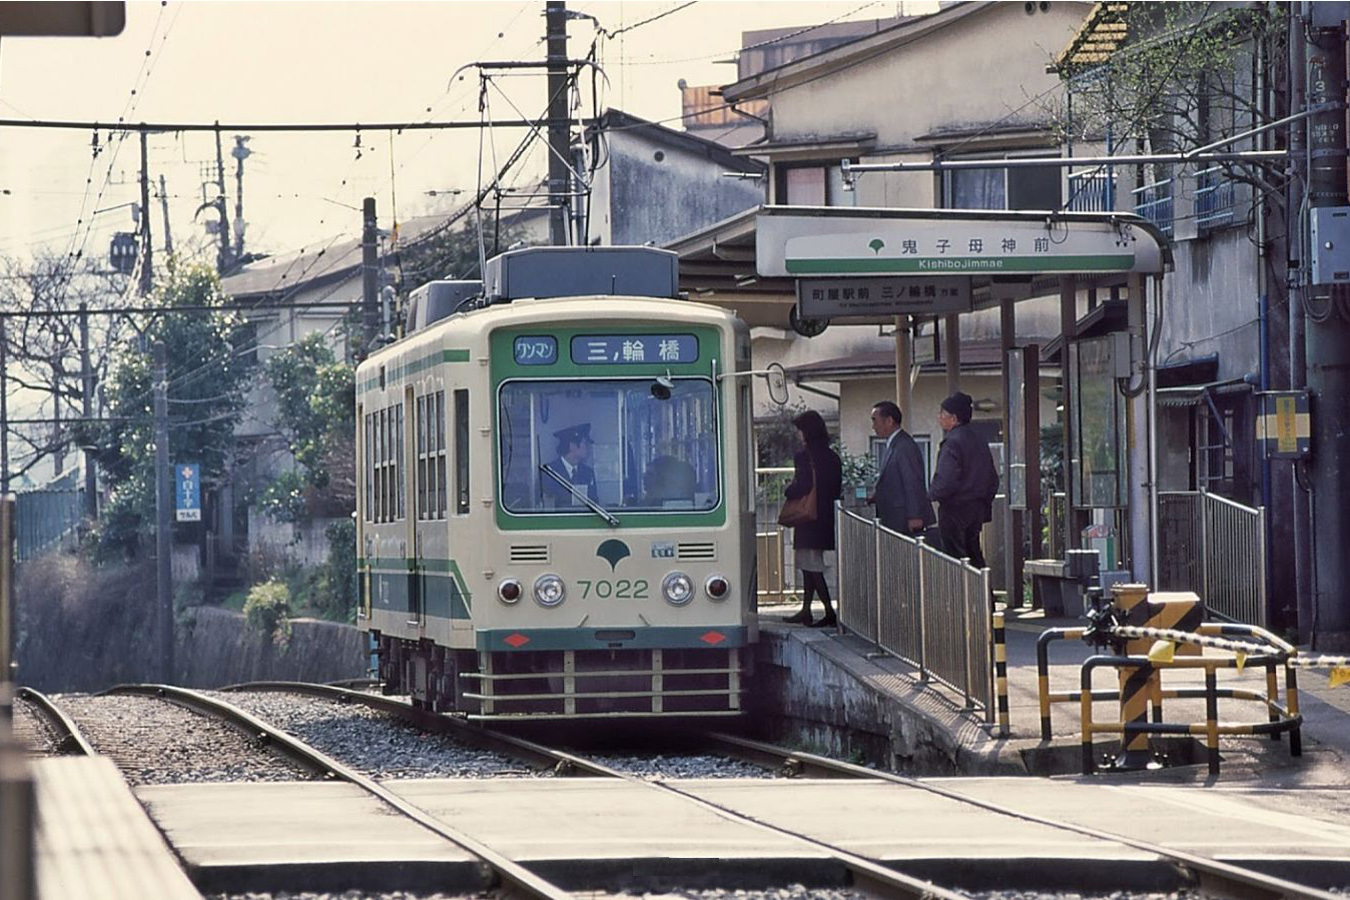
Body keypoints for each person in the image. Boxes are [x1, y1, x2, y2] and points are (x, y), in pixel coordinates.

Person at [781, 410, 844, 628]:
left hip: (807, 518)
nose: (798, 434)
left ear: (807, 431)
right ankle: (806, 609)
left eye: (799, 430)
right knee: (809, 565)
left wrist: (788, 491)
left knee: (811, 567)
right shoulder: (832, 457)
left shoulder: (804, 457)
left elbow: (803, 485)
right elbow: (836, 488)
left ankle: (828, 611)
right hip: (824, 517)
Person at [928, 391, 999, 568]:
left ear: (954, 419)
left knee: (956, 560)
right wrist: (983, 502)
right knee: (974, 553)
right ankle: (983, 586)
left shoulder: (952, 442)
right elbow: (992, 478)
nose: (939, 418)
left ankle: (964, 588)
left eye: (942, 414)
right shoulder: (979, 440)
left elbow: (946, 479)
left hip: (954, 508)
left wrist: (931, 494)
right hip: (976, 508)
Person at [867, 400, 934, 537]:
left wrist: (915, 515)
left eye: (875, 420)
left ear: (889, 421)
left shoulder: (904, 446)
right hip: (894, 517)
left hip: (904, 519)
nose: (873, 426)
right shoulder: (894, 445)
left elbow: (912, 481)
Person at [543, 422, 598, 506]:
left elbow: (594, 503)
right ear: (572, 446)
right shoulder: (549, 473)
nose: (587, 447)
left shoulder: (588, 473)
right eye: (584, 443)